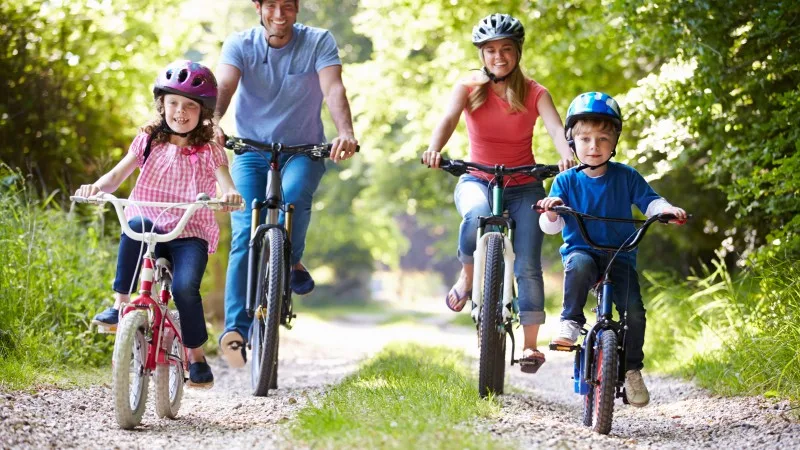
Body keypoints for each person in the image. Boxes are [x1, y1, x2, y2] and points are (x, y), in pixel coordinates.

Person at [421, 13, 576, 374]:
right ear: (482, 55)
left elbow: (555, 127)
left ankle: (531, 346)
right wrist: (434, 148)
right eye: (490, 50)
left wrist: (566, 152)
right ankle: (467, 274)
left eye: (506, 49)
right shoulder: (470, 87)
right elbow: (447, 119)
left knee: (527, 265)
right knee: (475, 214)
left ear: (518, 52)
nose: (498, 57)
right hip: (477, 179)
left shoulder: (536, 92)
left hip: (524, 187)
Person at [75, 60, 243, 388]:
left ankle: (195, 355)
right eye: (173, 103)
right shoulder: (148, 140)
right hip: (150, 226)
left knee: (183, 288)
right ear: (162, 105)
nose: (180, 112)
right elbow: (117, 175)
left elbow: (227, 184)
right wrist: (96, 188)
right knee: (133, 224)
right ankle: (120, 304)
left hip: (188, 231)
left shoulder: (210, 150)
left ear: (203, 111)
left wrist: (232, 195)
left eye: (190, 106)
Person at [214, 0, 358, 367]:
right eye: (272, 6)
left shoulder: (318, 41)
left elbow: (334, 89)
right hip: (251, 150)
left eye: (289, 7)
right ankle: (236, 332)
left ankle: (289, 258)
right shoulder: (239, 44)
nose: (280, 15)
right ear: (258, 7)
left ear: (297, 9)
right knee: (247, 228)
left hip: (303, 149)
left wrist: (345, 133)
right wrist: (212, 121)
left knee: (293, 197)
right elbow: (225, 85)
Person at [536, 91, 687, 406]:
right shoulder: (565, 181)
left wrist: (666, 210)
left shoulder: (626, 176)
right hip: (583, 251)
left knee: (635, 312)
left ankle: (632, 369)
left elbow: (650, 201)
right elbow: (551, 226)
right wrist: (552, 210)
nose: (594, 146)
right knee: (577, 266)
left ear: (615, 141)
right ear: (572, 141)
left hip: (620, 255)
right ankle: (571, 321)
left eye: (603, 139)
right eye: (586, 139)